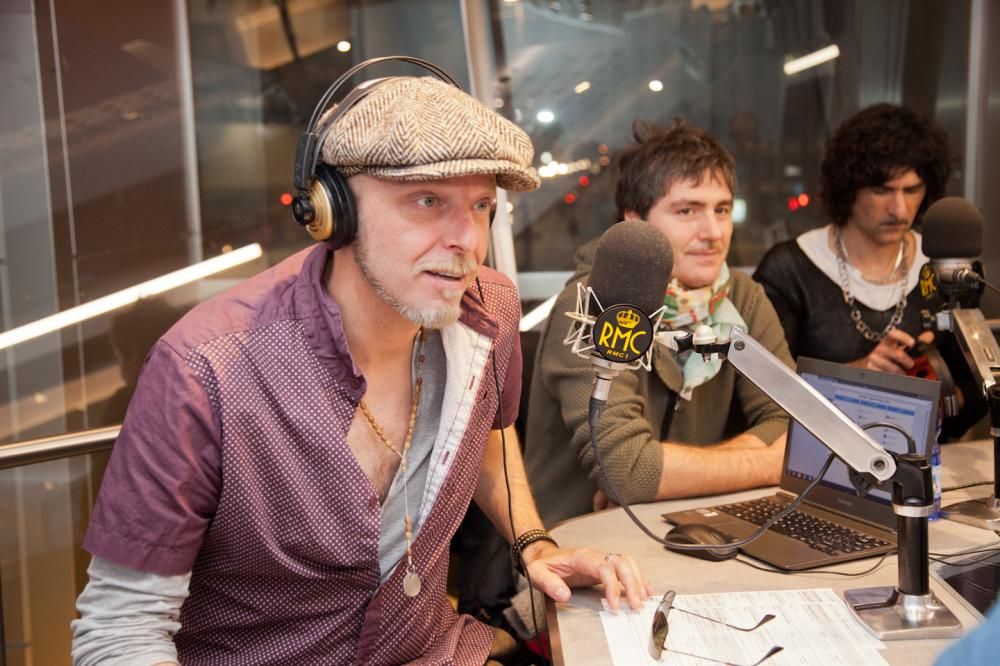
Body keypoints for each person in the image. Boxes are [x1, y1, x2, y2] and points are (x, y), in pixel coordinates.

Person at [71, 72, 650, 666]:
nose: (467, 241)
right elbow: (121, 631)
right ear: (333, 212)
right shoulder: (206, 369)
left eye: (480, 206)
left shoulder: (488, 311)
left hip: (434, 651)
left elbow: (485, 433)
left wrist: (533, 543)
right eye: (427, 201)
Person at [524, 119, 792, 527]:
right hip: (577, 544)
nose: (713, 232)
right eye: (687, 211)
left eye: (722, 210)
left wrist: (668, 478)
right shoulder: (595, 303)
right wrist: (768, 464)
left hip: (689, 524)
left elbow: (792, 424)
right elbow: (628, 472)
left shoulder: (741, 296)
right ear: (636, 221)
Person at [753, 103, 982, 439]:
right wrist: (857, 375)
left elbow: (977, 386)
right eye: (881, 190)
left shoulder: (946, 270)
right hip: (821, 457)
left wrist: (939, 395)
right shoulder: (790, 269)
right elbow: (762, 394)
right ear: (849, 188)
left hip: (931, 460)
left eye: (912, 190)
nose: (899, 209)